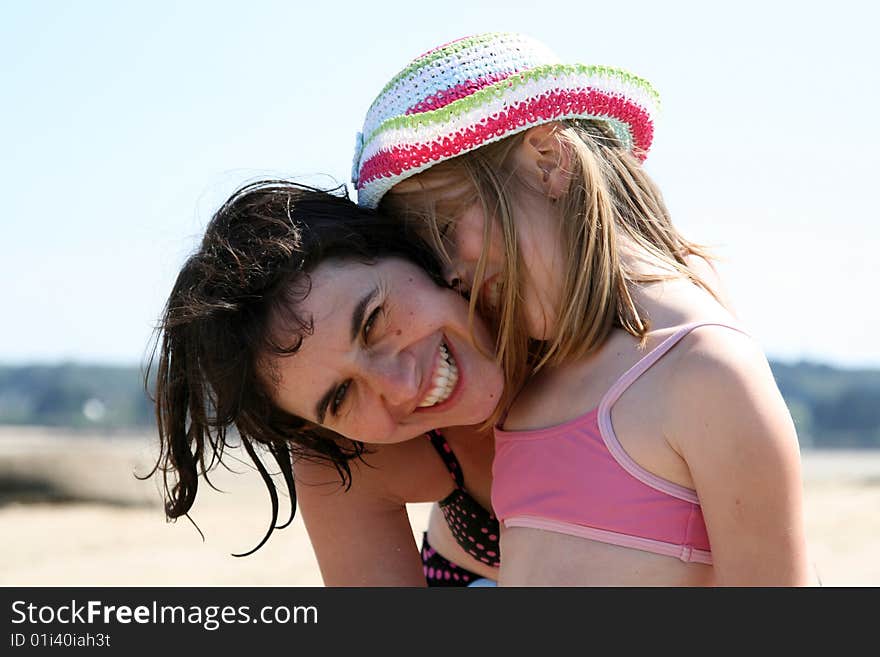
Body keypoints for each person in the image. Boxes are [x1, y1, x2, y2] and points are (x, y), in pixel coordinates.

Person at [351, 31, 817, 585]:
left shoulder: (703, 371)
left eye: (448, 227)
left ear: (548, 158)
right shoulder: (528, 370)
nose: (449, 273)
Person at [147, 179, 505, 586]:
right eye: (341, 396)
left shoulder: (565, 301)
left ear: (401, 247)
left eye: (372, 322)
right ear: (316, 428)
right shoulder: (348, 457)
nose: (401, 386)